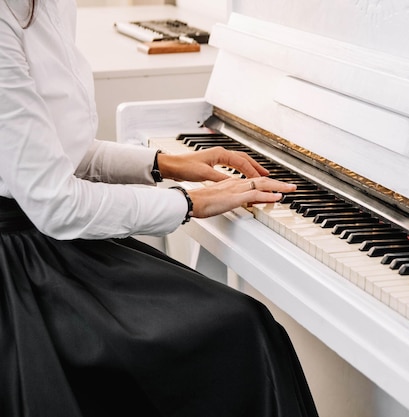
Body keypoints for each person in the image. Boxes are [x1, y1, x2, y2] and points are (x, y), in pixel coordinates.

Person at [0, 0, 319, 416]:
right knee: (239, 328)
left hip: (44, 239)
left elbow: (54, 152)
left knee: (237, 323)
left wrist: (163, 164)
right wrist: (191, 201)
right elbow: (56, 203)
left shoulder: (49, 5)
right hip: (19, 264)